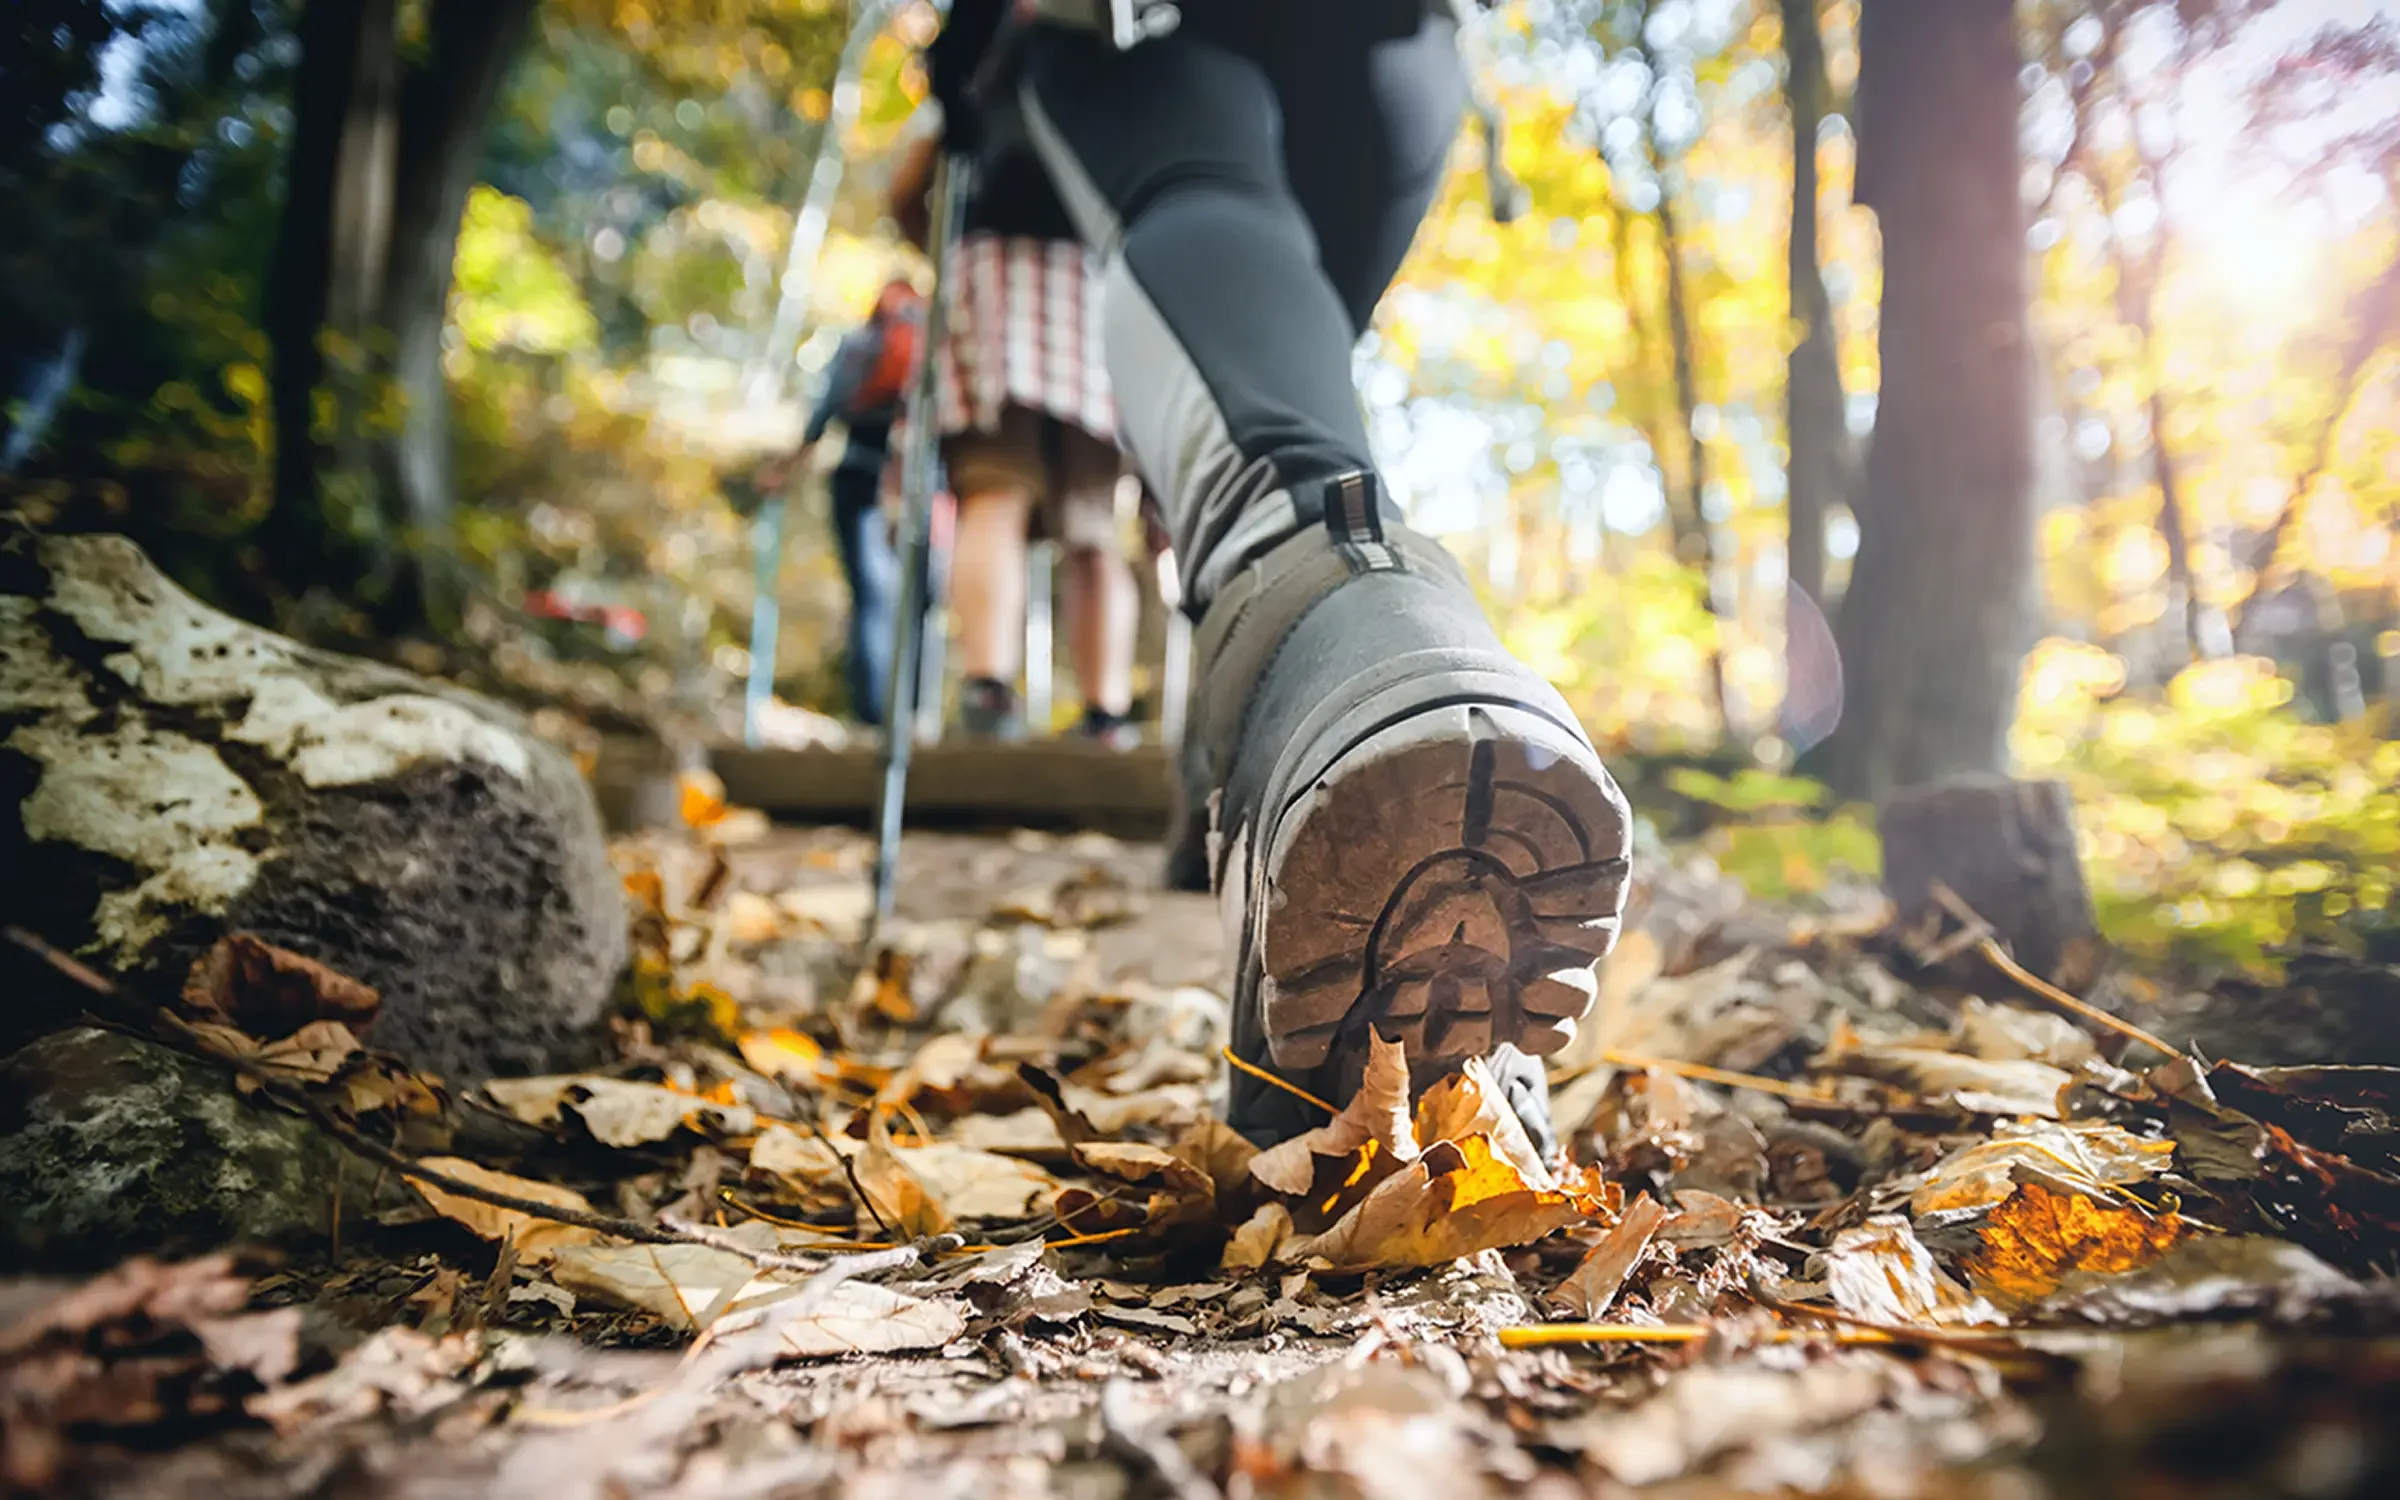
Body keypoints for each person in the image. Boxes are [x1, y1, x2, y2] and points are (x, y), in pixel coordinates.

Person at [924, 0, 1634, 1157]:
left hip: (1141, 39)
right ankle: (1260, 742)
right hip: (1398, 59)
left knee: (1210, 231)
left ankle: (1330, 632)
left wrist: (961, 71)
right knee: (1273, 362)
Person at [888, 102, 1142, 746]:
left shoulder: (986, 62)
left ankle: (987, 690)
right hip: (1096, 293)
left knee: (994, 492)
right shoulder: (1116, 71)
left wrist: (945, 246)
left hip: (991, 280)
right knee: (1092, 525)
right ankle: (1104, 715)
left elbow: (908, 189)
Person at [753, 280, 918, 727]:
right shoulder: (930, 344)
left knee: (870, 596)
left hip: (858, 475)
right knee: (914, 599)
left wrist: (782, 472)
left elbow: (824, 412)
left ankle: (873, 716)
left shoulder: (859, 344)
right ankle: (914, 714)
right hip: (919, 486)